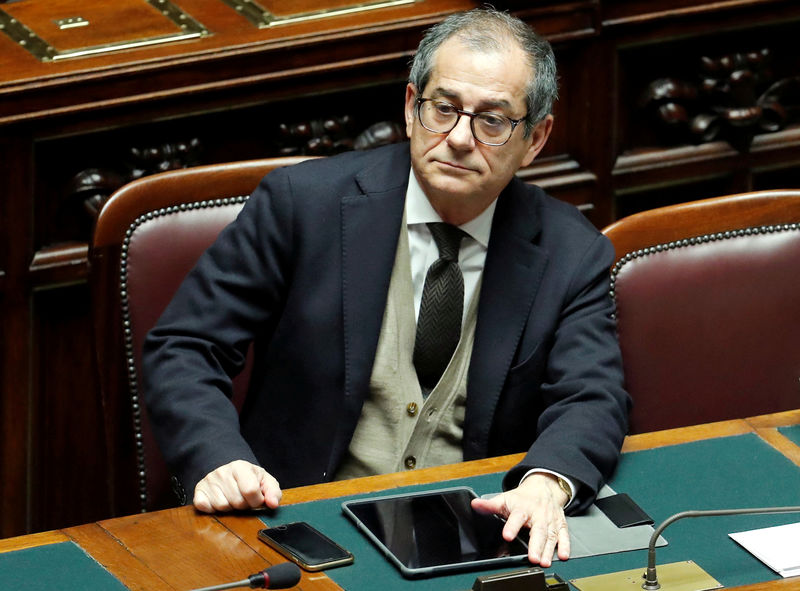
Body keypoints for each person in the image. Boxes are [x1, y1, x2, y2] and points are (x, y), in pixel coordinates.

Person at [142, 7, 630, 568]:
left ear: (536, 138)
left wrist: (548, 482)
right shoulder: (303, 205)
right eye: (442, 109)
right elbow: (185, 346)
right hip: (295, 522)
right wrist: (217, 458)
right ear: (409, 107)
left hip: (468, 534)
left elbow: (593, 395)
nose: (460, 138)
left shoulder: (572, 252)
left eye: (492, 121)